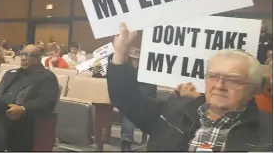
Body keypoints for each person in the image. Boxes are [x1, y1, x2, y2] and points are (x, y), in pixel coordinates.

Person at [107, 23, 272, 152]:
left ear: (252, 90)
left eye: (232, 79)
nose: (220, 85)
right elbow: (125, 97)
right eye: (213, 76)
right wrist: (121, 52)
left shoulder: (268, 133)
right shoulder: (173, 112)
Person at [0, 44, 59, 151]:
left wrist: (23, 109)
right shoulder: (11, 73)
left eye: (29, 55)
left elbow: (46, 102)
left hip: (22, 119)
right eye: (23, 54)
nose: (24, 58)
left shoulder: (47, 77)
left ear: (39, 58)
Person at [119, 48, 157, 151]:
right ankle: (126, 143)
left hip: (146, 101)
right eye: (134, 59)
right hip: (131, 103)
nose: (135, 62)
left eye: (138, 60)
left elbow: (150, 92)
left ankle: (147, 144)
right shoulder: (126, 70)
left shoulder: (149, 72)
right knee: (130, 113)